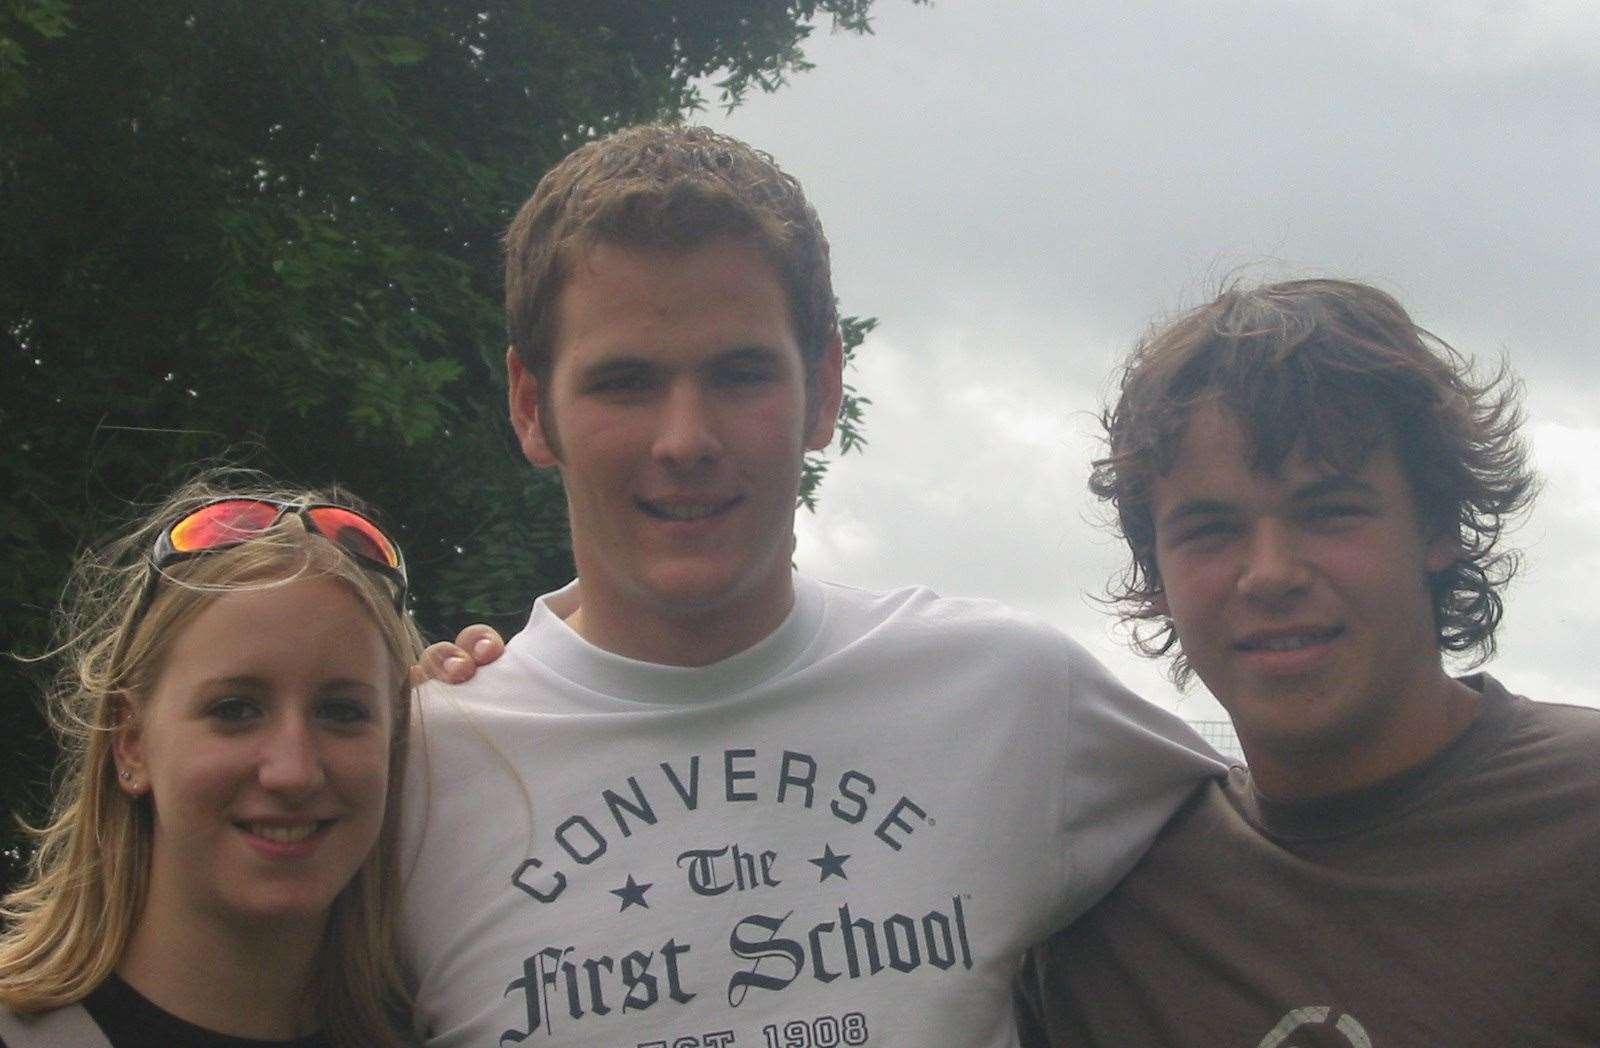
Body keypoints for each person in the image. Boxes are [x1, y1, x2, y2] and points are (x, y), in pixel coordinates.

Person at [397, 123, 1226, 1046]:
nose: (685, 441)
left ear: (824, 386)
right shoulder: (413, 776)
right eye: (624, 383)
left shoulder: (1012, 698)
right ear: (528, 404)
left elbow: (1340, 846)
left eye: (740, 373)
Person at [1016, 279, 1600, 1046]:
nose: (1270, 573)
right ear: (1156, 577)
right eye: (1210, 529)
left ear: (1437, 526)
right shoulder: (1103, 898)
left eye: (1328, 513)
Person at [0, 473, 424, 1048]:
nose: (293, 771)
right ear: (130, 742)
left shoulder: (465, 1024)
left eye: (343, 713)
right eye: (235, 709)